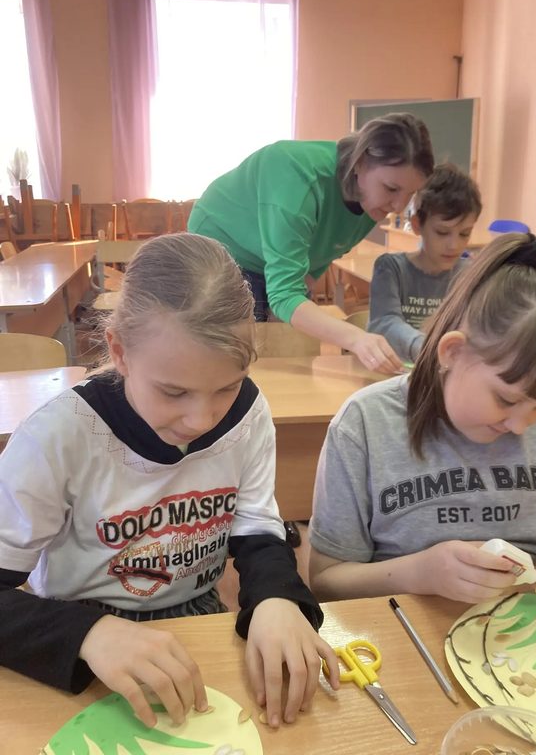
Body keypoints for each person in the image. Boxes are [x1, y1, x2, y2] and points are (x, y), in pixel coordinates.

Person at [0, 233, 339, 730]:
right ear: (119, 351)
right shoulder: (56, 437)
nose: (201, 419)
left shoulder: (249, 414)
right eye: (173, 392)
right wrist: (88, 633)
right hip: (81, 632)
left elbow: (256, 527)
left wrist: (278, 598)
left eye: (227, 386)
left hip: (195, 613)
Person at [308, 233, 536, 608]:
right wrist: (421, 573)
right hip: (408, 626)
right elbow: (326, 581)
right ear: (453, 351)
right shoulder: (365, 423)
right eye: (507, 399)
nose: (521, 426)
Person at [188, 113, 434, 376]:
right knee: (237, 362)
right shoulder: (298, 177)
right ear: (360, 162)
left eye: (410, 194)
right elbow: (284, 295)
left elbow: (323, 251)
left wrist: (287, 305)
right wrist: (356, 338)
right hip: (224, 242)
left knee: (289, 351)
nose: (398, 207)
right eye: (391, 189)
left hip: (273, 256)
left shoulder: (370, 199)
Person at [367, 164, 482, 363]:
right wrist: (429, 349)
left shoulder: (470, 276)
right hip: (396, 372)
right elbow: (384, 323)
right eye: (442, 232)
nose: (454, 245)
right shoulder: (391, 269)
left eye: (465, 233)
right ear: (417, 225)